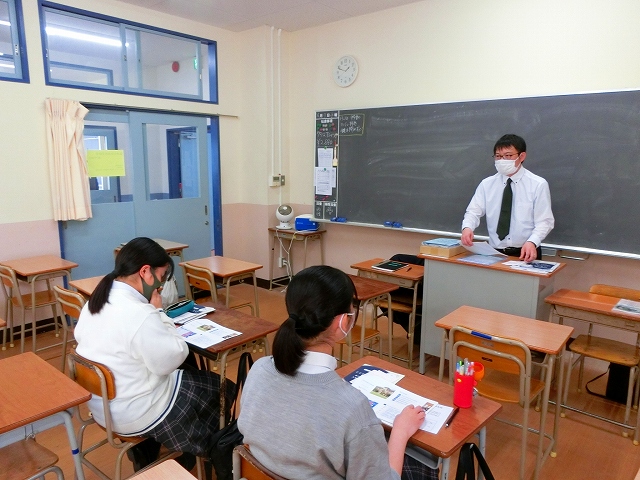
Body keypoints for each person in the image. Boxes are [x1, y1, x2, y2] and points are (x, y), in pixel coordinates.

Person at [237, 265, 438, 480]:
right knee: (424, 464)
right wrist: (401, 431)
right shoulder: (351, 408)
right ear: (342, 321)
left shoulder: (259, 369)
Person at [74, 237, 234, 471]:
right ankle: (209, 453)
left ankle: (157, 450)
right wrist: (159, 312)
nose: (161, 284)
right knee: (221, 388)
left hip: (104, 409)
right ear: (145, 272)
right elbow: (172, 358)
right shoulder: (140, 313)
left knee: (193, 379)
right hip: (137, 413)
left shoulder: (95, 302)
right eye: (162, 276)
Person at [461, 134, 554, 262]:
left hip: (526, 251)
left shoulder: (538, 184)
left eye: (508, 156)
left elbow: (545, 221)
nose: (502, 160)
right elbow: (473, 211)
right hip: (494, 252)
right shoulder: (487, 184)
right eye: (498, 156)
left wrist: (533, 241)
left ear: (522, 156)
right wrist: (467, 228)